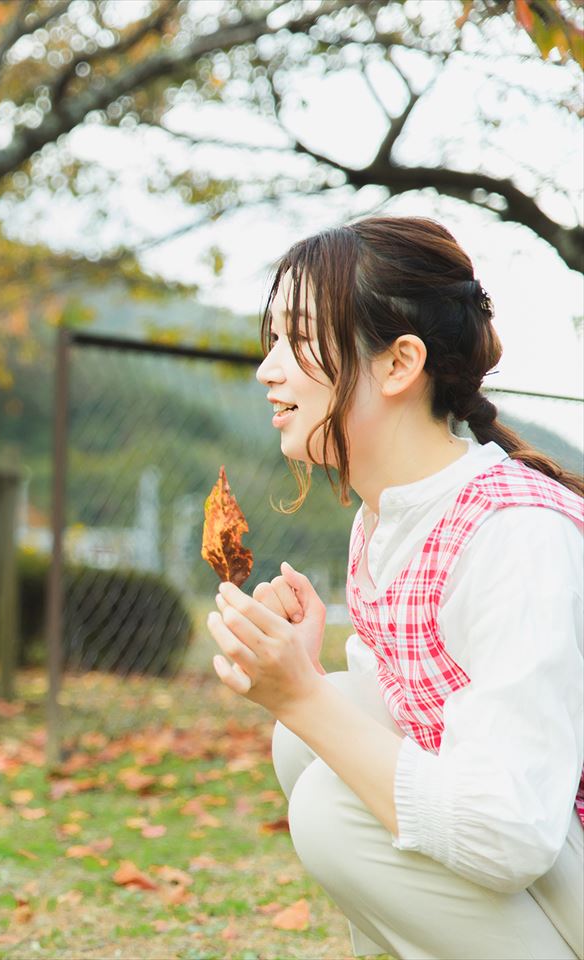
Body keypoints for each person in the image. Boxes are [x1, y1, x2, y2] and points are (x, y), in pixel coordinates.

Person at [207, 216, 584, 958]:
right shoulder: (387, 524)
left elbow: (511, 832)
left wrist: (302, 696)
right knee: (316, 733)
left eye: (296, 339)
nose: (268, 369)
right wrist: (305, 684)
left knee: (331, 805)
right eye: (270, 341)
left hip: (557, 845)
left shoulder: (516, 534)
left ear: (398, 363)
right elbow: (414, 728)